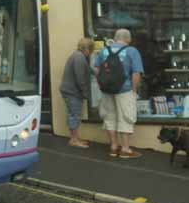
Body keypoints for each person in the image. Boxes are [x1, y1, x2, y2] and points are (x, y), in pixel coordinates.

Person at [94, 28, 144, 159]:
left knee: (109, 116)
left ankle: (113, 147)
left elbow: (97, 69)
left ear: (115, 38)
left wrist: (101, 85)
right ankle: (126, 149)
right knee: (126, 116)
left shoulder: (104, 50)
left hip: (106, 90)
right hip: (124, 90)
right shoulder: (132, 51)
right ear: (129, 39)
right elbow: (136, 73)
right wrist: (134, 90)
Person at [59, 37, 94, 148]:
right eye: (91, 50)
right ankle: (73, 140)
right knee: (75, 115)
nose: (91, 53)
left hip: (69, 90)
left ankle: (75, 137)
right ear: (88, 48)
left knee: (73, 114)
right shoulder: (79, 57)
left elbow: (85, 70)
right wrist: (85, 93)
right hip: (72, 92)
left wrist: (94, 71)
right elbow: (80, 78)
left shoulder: (77, 55)